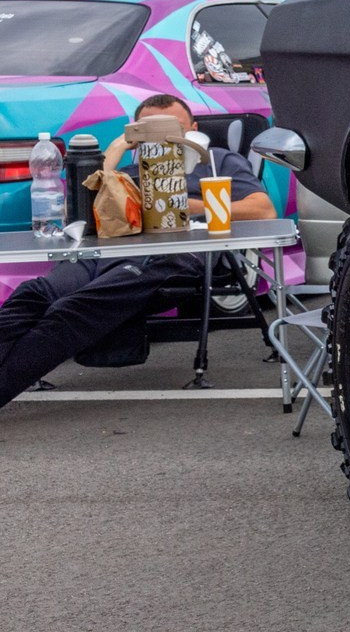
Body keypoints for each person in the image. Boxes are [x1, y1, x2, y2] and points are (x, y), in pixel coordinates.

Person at [0, 95, 275, 408]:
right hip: (104, 251)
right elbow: (78, 213)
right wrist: (117, 150)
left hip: (172, 254)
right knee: (33, 294)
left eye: (172, 129)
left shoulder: (217, 161)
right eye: (148, 130)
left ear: (194, 130)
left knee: (75, 308)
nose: (161, 138)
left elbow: (263, 210)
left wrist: (182, 204)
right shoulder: (127, 171)